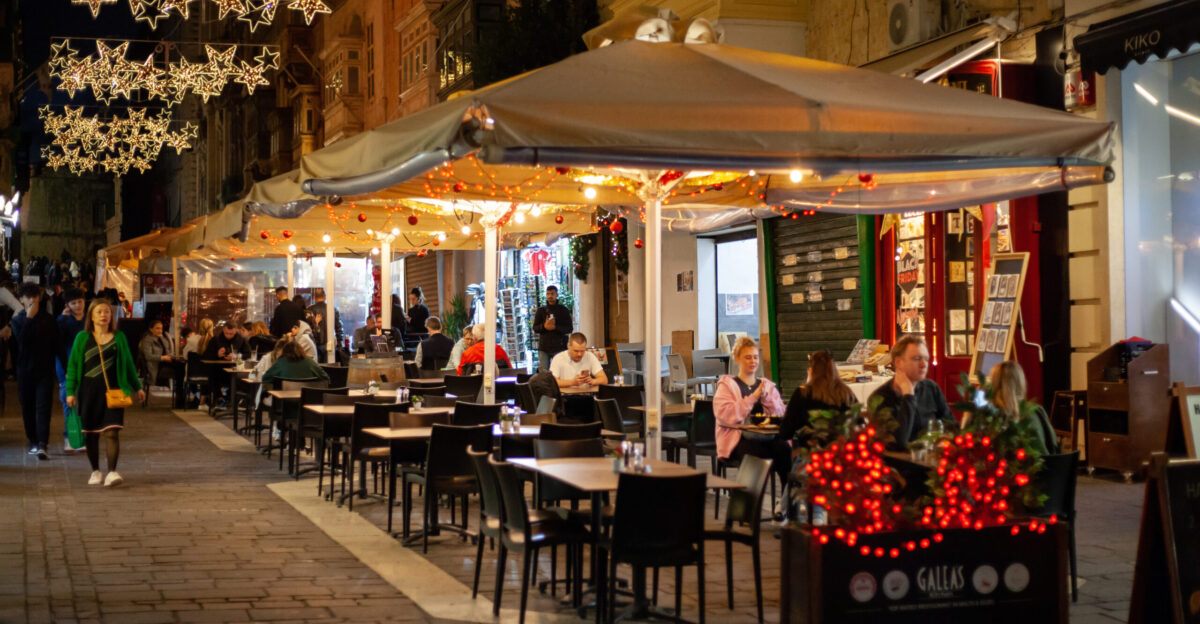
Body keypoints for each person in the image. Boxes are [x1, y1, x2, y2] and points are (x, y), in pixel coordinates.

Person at [66, 298, 145, 486]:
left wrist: (137, 387)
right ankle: (95, 471)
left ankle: (112, 472)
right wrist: (70, 391)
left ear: (112, 315)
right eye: (99, 312)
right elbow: (73, 366)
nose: (104, 315)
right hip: (88, 393)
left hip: (114, 392)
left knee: (112, 432)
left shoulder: (119, 337)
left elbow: (128, 365)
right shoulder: (82, 338)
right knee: (91, 434)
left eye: (107, 312)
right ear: (91, 316)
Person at [713, 336, 791, 482]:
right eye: (748, 357)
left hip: (766, 437)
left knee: (785, 449)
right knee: (754, 454)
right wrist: (753, 397)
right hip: (737, 439)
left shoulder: (767, 385)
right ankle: (750, 500)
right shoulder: (727, 385)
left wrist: (767, 398)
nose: (753, 361)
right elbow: (725, 415)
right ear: (737, 358)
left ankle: (789, 500)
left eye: (755, 357)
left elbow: (780, 414)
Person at [870, 335, 955, 449]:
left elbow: (952, 426)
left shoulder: (931, 388)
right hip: (901, 463)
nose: (923, 364)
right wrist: (908, 395)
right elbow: (899, 442)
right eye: (916, 359)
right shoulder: (880, 397)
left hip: (933, 458)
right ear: (899, 362)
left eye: (926, 359)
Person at [12, 283, 61, 459]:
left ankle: (42, 444)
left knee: (43, 407)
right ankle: (32, 440)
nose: (32, 300)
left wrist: (64, 369)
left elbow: (57, 346)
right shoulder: (17, 321)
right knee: (27, 408)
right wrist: (29, 319)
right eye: (28, 297)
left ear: (39, 298)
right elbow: (22, 344)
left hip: (45, 372)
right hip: (25, 372)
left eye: (35, 297)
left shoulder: (49, 320)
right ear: (21, 300)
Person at [970, 361, 1058, 455]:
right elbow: (1054, 446)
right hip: (1050, 467)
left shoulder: (992, 414)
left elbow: (972, 448)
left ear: (994, 385)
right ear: (1021, 383)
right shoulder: (1037, 411)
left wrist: (972, 410)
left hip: (1015, 469)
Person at [780, 349, 857, 443]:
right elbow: (858, 424)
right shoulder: (846, 392)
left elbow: (786, 431)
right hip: (841, 451)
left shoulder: (802, 393)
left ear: (811, 370)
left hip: (811, 452)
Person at [56, 288, 88, 452]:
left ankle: (80, 437)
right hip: (67, 366)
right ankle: (70, 437)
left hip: (87, 366)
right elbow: (57, 344)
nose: (77, 305)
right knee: (68, 402)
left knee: (83, 402)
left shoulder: (89, 320)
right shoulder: (63, 321)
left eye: (80, 302)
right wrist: (62, 318)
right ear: (68, 304)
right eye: (73, 303)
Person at [532, 285, 573, 372]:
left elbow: (569, 328)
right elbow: (535, 328)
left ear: (556, 295)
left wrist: (556, 327)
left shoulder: (563, 310)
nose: (550, 296)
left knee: (560, 371)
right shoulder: (541, 311)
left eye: (552, 294)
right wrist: (544, 326)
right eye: (548, 294)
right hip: (544, 347)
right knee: (543, 373)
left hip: (560, 347)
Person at [262, 338, 330, 386]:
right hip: (307, 401)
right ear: (301, 350)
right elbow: (326, 378)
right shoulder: (310, 362)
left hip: (284, 401)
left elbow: (265, 379)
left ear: (284, 351)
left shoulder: (280, 362)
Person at [307, 288, 343, 359]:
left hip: (314, 343)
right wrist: (339, 343)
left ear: (314, 297)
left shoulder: (309, 310)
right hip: (329, 343)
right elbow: (339, 327)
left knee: (318, 367)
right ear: (325, 296)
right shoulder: (332, 309)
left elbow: (307, 329)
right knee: (329, 367)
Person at [139, 319, 176, 388]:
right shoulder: (147, 340)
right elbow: (148, 356)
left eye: (161, 329)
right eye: (157, 328)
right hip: (155, 365)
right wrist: (162, 358)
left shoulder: (162, 339)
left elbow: (168, 351)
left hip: (164, 363)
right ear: (151, 329)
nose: (160, 331)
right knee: (178, 371)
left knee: (180, 367)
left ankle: (180, 393)